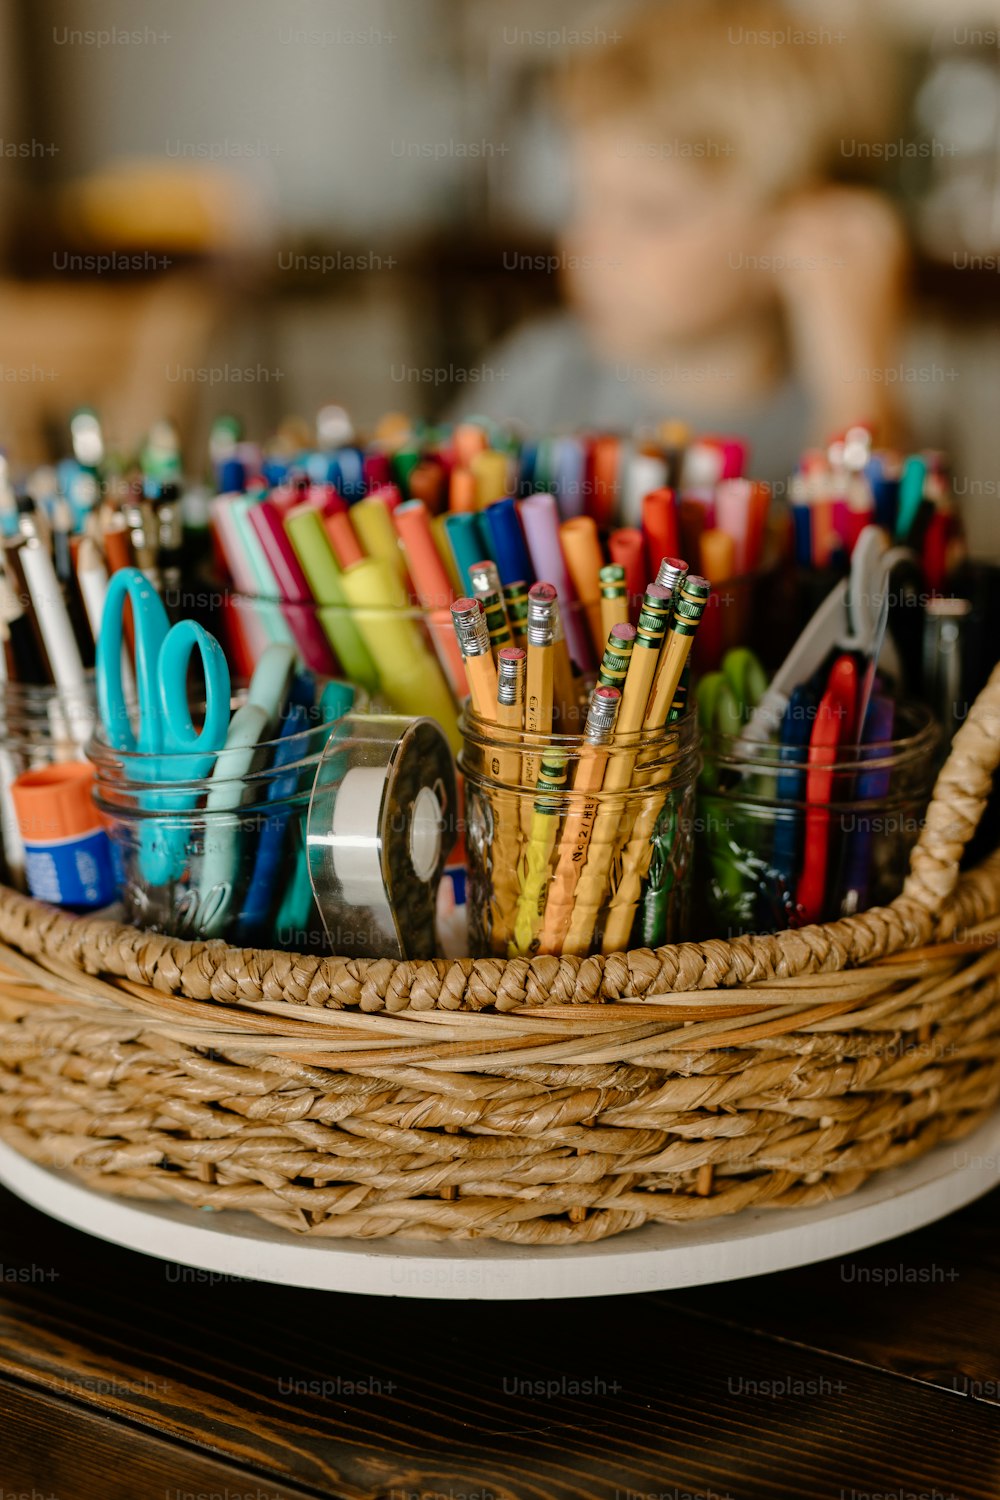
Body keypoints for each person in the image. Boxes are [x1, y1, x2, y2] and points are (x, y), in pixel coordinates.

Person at [455, 0, 908, 487]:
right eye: (582, 199)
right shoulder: (539, 383)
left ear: (796, 229)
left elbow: (862, 544)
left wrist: (856, 386)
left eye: (650, 212)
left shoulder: (845, 404)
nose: (592, 242)